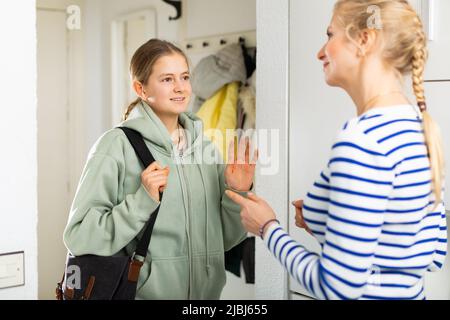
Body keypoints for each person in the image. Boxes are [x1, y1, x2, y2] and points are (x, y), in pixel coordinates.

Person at [227, 0, 447, 300]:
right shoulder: (421, 130)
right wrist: (333, 225)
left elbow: (336, 286)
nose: (320, 51)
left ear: (364, 41)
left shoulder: (362, 139)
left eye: (330, 35)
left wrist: (267, 227)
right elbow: (431, 256)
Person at [63, 39, 256, 299]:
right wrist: (142, 201)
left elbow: (225, 240)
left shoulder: (205, 148)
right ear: (141, 89)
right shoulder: (115, 146)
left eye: (185, 77)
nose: (180, 88)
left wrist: (237, 193)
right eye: (167, 79)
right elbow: (80, 237)